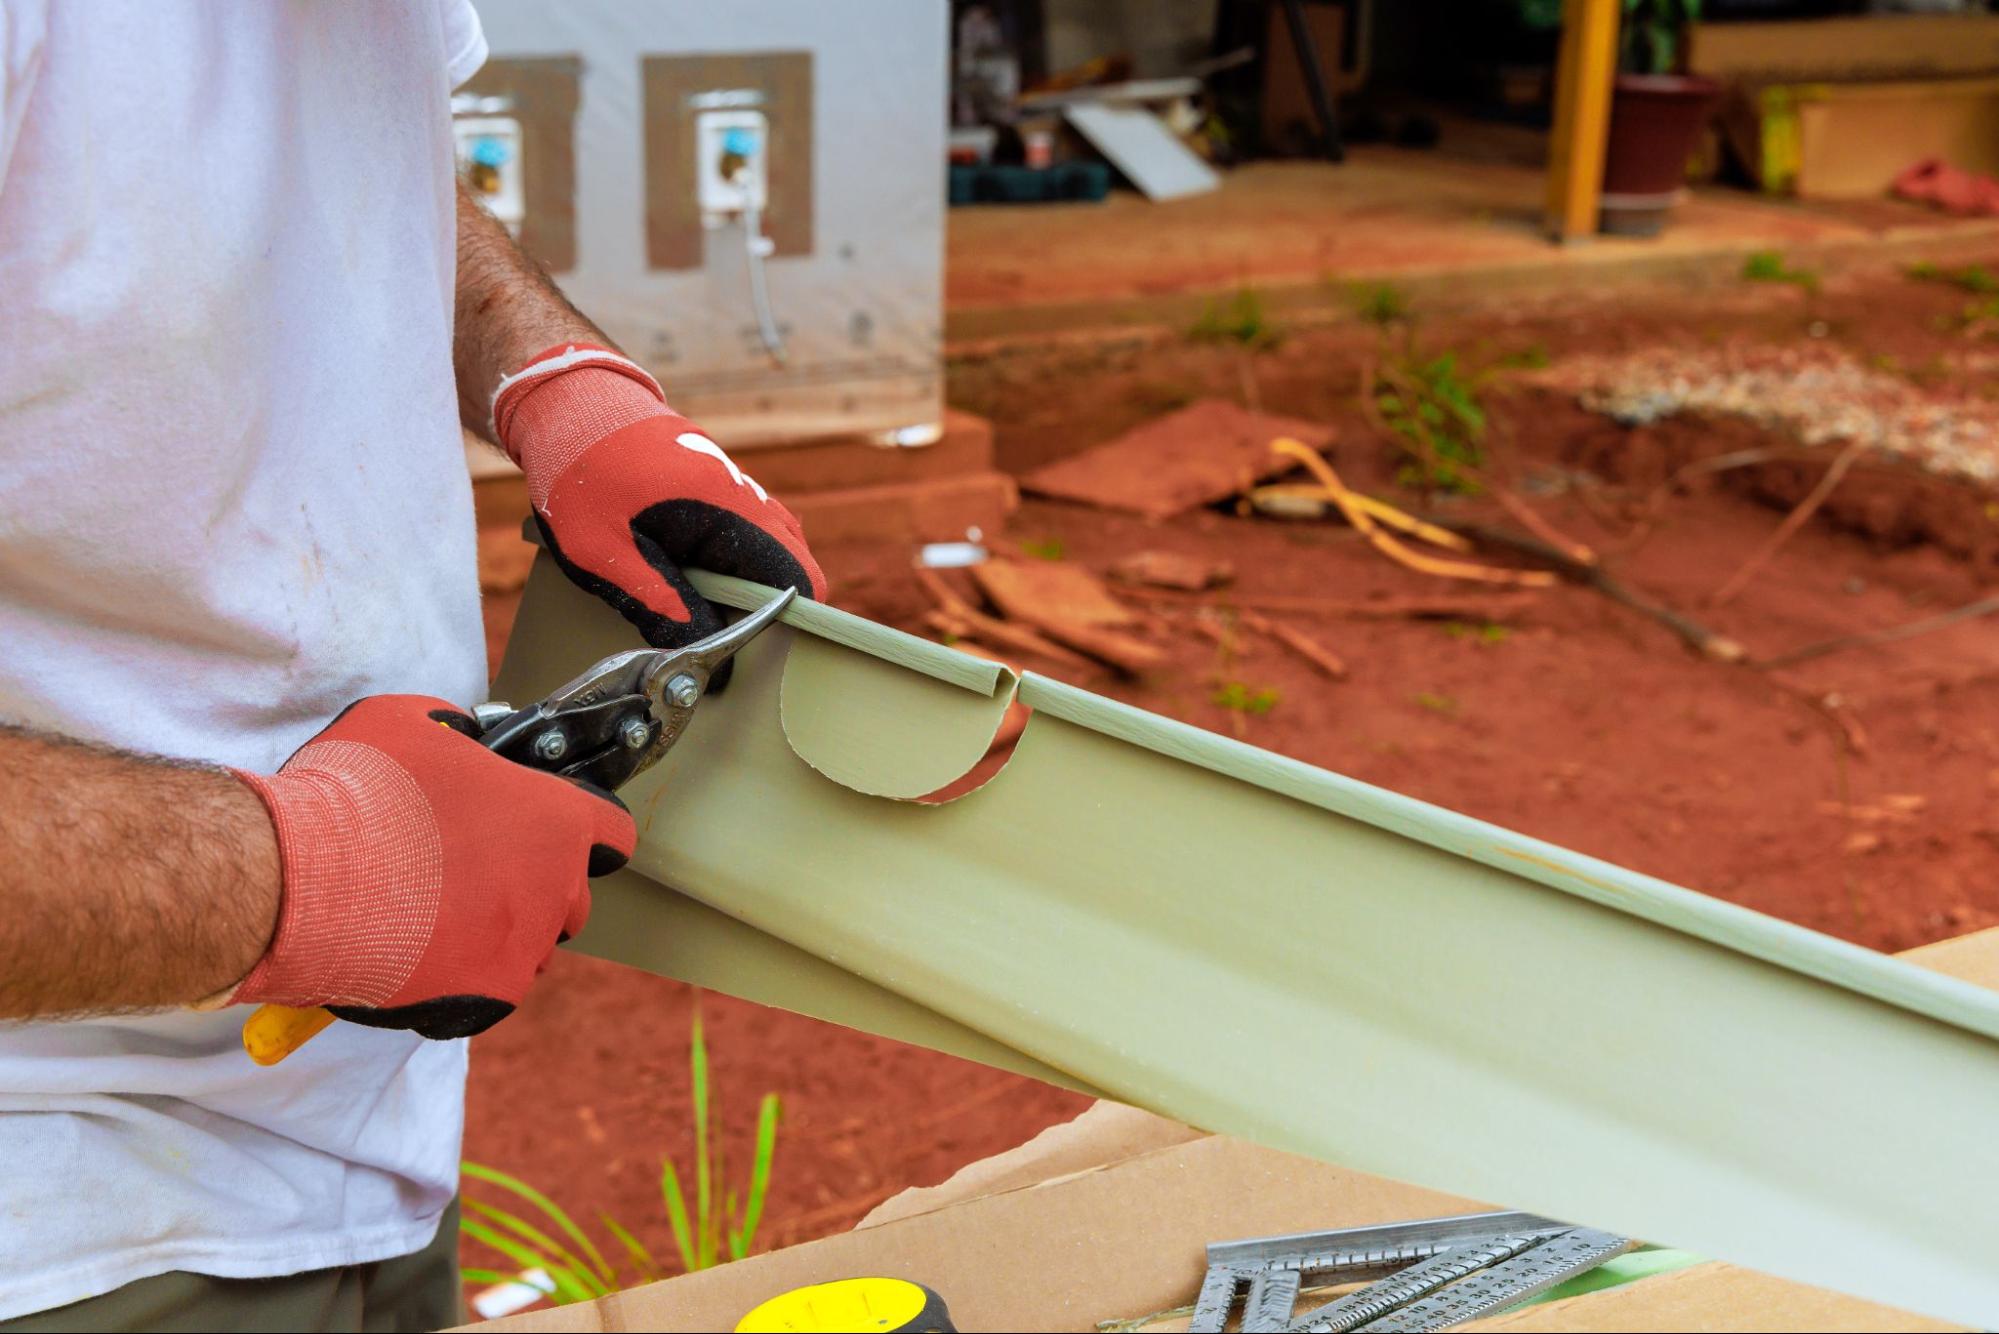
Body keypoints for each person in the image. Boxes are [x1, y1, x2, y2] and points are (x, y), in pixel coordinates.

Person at [0, 4, 823, 1328]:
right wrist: (305, 875)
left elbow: (336, 170)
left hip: (355, 1131)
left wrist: (551, 372)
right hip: (71, 1212)